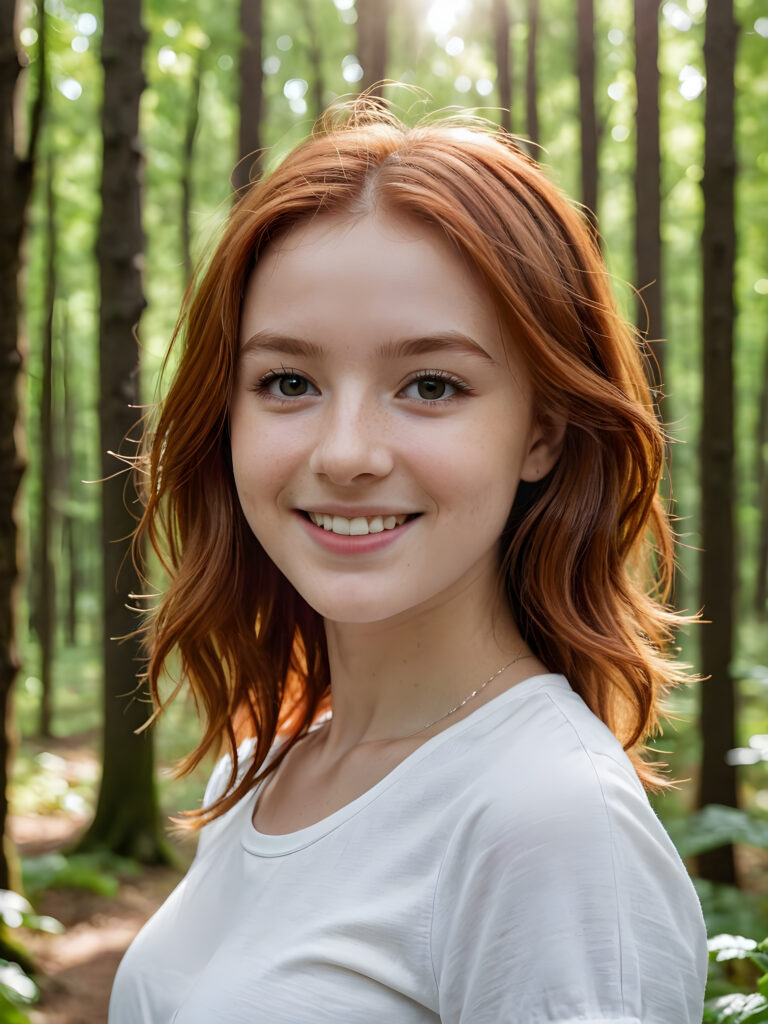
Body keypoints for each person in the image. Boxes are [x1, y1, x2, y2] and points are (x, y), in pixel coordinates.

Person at [108, 97, 707, 1023]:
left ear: (541, 433)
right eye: (289, 382)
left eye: (431, 385)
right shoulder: (257, 771)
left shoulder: (549, 823)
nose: (346, 452)